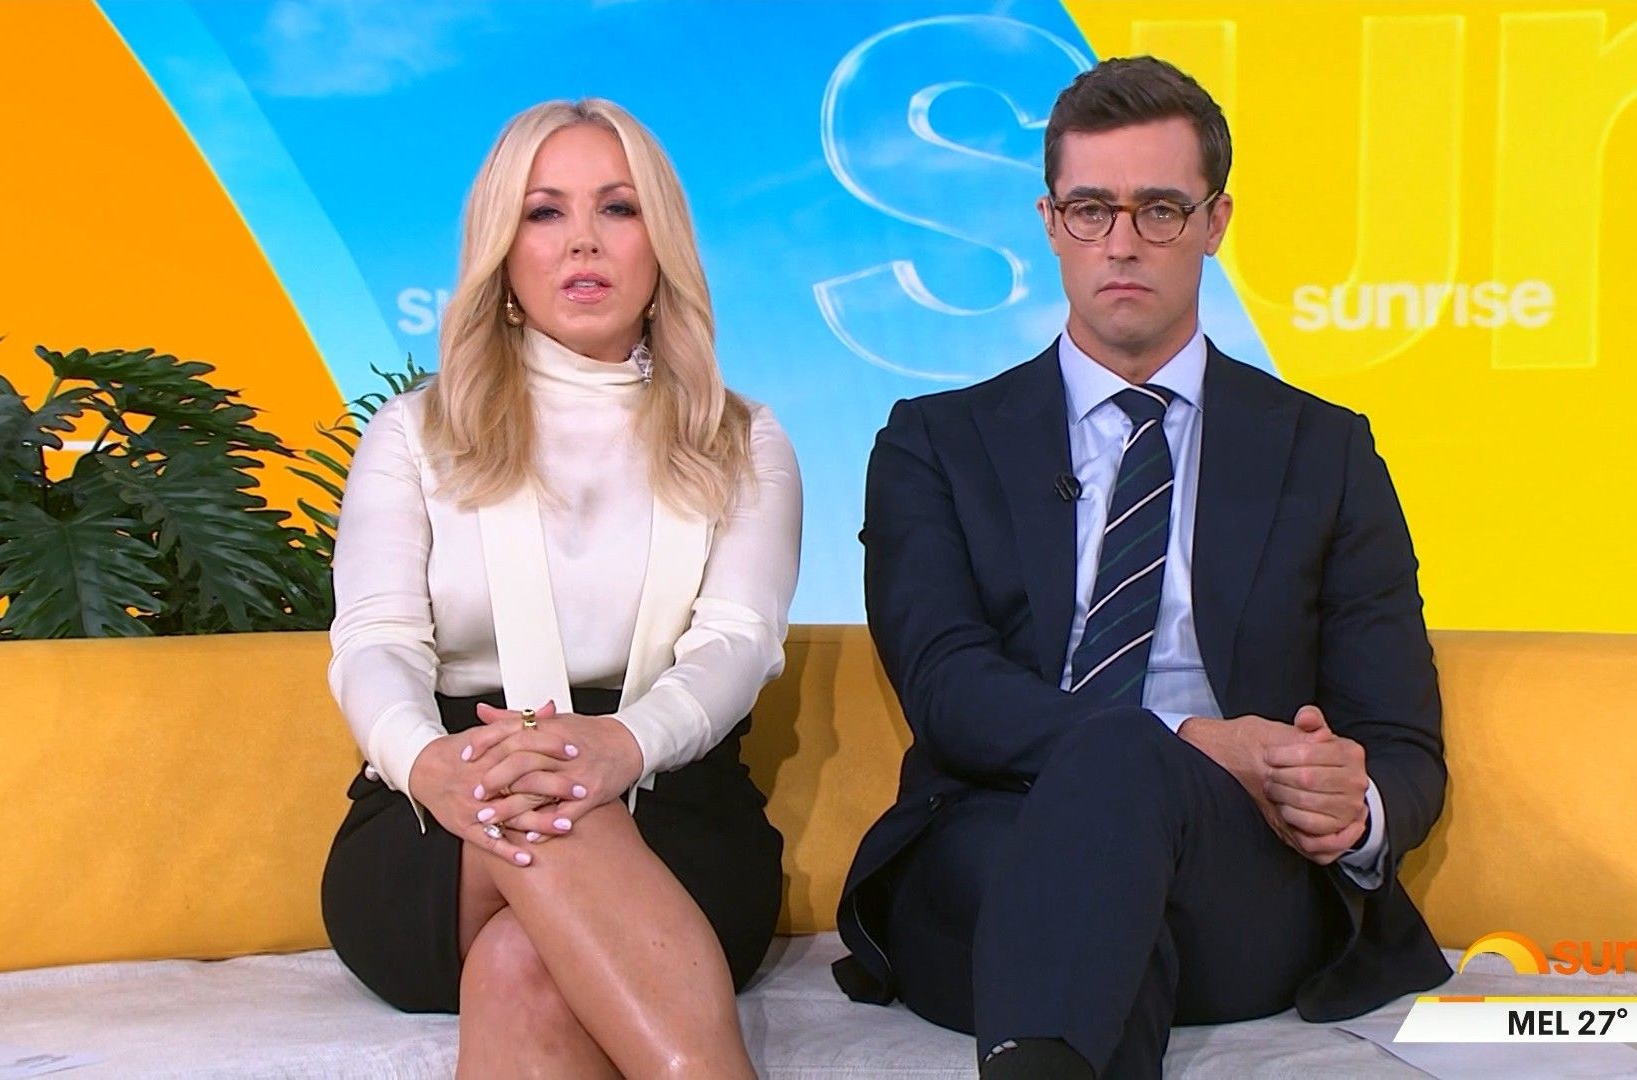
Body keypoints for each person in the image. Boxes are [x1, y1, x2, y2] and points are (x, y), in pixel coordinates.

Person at [834, 57, 1450, 1079]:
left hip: (1234, 863)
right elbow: (946, 688)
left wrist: (1352, 805)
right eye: (1091, 209)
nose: (1121, 243)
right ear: (1049, 222)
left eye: (1160, 210)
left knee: (1110, 840)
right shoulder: (935, 443)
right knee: (1111, 817)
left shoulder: (1324, 451)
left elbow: (1399, 739)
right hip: (999, 835)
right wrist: (1192, 738)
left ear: (1215, 222)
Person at [320, 98, 800, 1079]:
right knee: (542, 797)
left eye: (618, 208)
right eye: (545, 212)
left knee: (523, 962)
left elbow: (737, 643)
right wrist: (428, 763)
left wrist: (620, 746)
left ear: (662, 244)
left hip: (672, 805)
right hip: (443, 819)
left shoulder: (745, 440)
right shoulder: (413, 435)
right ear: (503, 250)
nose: (583, 239)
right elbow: (374, 640)